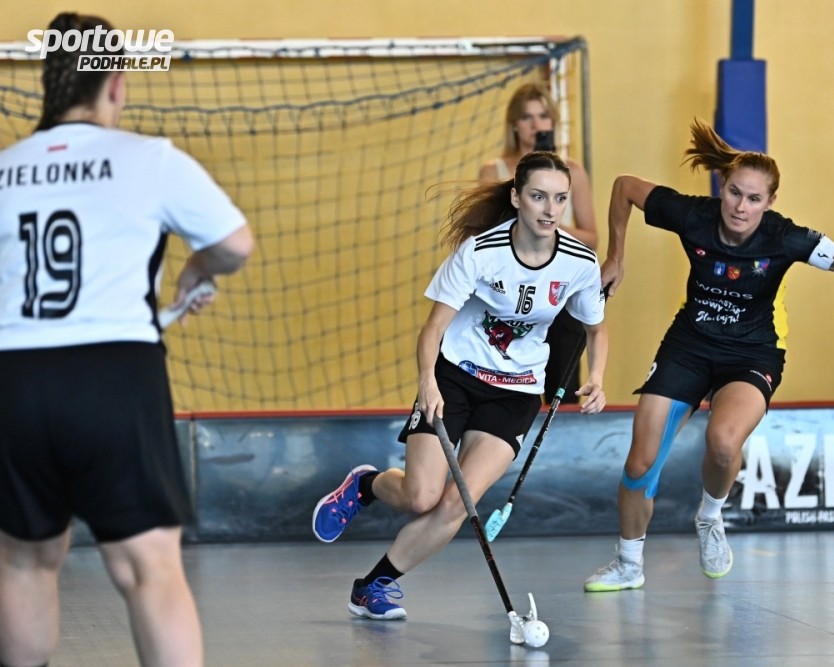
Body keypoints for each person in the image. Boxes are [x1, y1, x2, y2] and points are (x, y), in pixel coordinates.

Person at [583, 118, 834, 591]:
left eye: (754, 199)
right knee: (639, 463)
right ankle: (629, 564)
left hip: (753, 354)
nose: (741, 206)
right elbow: (625, 187)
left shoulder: (785, 238)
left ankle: (710, 516)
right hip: (689, 345)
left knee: (723, 442)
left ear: (770, 202)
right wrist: (616, 256)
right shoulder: (693, 215)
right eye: (735, 193)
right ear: (722, 187)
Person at [0, 12, 253, 667]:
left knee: (24, 559)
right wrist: (197, 269)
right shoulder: (149, 159)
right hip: (115, 375)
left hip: (13, 380)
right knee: (148, 567)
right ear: (114, 83)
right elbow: (234, 245)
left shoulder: (4, 169)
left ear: (51, 83)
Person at [313, 151, 608, 620]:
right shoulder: (480, 252)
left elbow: (596, 328)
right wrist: (427, 383)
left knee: (456, 504)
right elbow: (432, 329)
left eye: (559, 199)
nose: (550, 209)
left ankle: (372, 586)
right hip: (455, 377)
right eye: (538, 196)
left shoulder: (579, 262)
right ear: (517, 198)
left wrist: (596, 376)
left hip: (516, 393)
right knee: (421, 497)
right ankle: (365, 485)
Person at [479, 82, 598, 404]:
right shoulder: (495, 171)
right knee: (504, 383)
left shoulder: (573, 171)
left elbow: (592, 238)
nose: (536, 125)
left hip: (559, 291)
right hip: (508, 292)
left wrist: (548, 224)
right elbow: (483, 237)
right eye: (527, 117)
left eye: (543, 116)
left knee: (563, 385)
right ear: (514, 125)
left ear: (553, 122)